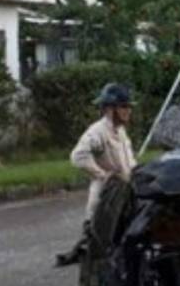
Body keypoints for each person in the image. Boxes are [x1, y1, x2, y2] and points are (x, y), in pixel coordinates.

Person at [58, 83, 137, 267]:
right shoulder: (97, 132)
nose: (128, 110)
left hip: (122, 198)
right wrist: (103, 175)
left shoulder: (121, 132)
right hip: (104, 203)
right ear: (109, 109)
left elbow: (129, 163)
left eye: (129, 106)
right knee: (100, 260)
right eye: (124, 106)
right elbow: (78, 156)